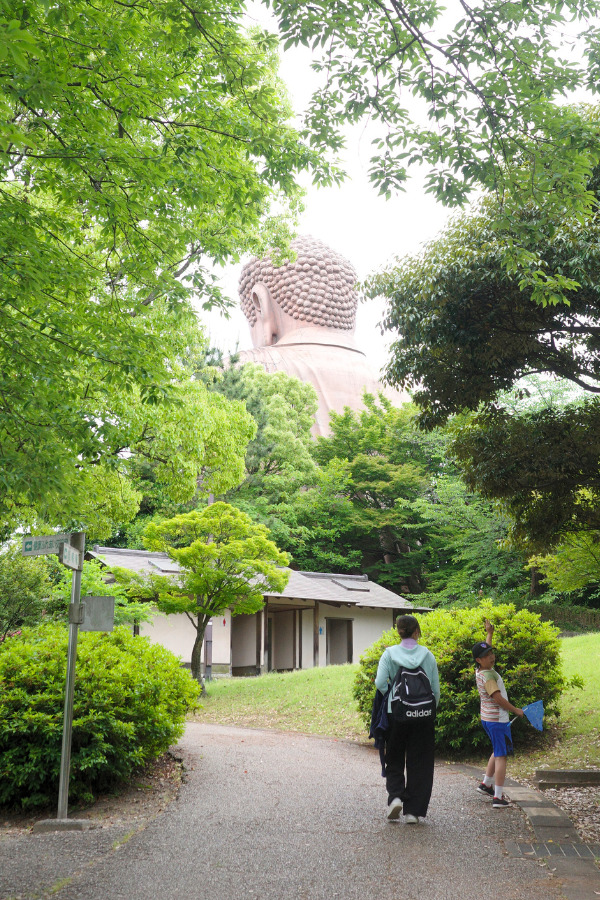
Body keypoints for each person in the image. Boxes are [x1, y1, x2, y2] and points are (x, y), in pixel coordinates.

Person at [375, 614, 440, 824]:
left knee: (394, 756)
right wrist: (428, 710)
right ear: (417, 631)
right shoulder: (427, 655)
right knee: (420, 762)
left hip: (397, 714)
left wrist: (391, 700)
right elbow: (435, 691)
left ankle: (395, 798)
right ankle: (413, 812)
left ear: (398, 631)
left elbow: (379, 683)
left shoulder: (389, 654)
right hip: (423, 717)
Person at [473, 618, 524, 808]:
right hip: (497, 720)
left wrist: (489, 634)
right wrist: (516, 710)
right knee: (502, 756)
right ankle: (498, 797)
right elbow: (498, 698)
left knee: (497, 750)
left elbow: (485, 650)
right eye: (486, 655)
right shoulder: (488, 676)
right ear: (479, 660)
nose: (491, 656)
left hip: (488, 718)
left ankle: (486, 784)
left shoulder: (481, 670)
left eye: (491, 652)